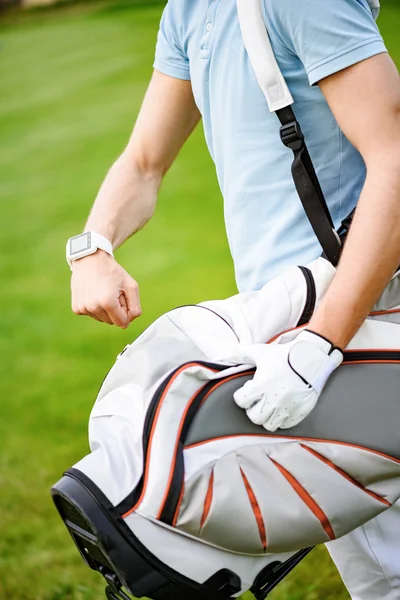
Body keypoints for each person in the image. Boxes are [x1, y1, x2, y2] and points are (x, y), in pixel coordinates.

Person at [68, 0, 400, 597]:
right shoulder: (188, 10)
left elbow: (396, 156)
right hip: (290, 326)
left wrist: (322, 341)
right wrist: (94, 246)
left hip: (356, 310)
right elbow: (144, 163)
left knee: (388, 567)